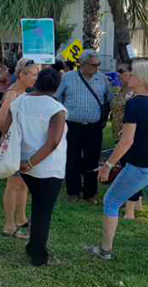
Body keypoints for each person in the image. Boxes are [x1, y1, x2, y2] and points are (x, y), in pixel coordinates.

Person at [89, 61, 148, 280]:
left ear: (142, 79)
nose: (128, 77)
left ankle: (105, 250)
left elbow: (126, 141)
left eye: (133, 75)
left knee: (111, 202)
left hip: (141, 166)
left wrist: (107, 165)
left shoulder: (136, 104)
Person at [1, 68, 67, 267]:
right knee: (42, 212)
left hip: (23, 163)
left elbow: (7, 128)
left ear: (37, 82)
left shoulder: (19, 102)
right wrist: (31, 163)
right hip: (47, 169)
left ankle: (33, 247)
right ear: (57, 86)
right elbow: (53, 142)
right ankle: (38, 255)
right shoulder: (57, 109)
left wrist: (24, 160)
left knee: (37, 208)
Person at [55, 51, 113, 204]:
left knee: (92, 159)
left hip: (93, 127)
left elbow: (109, 99)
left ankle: (90, 193)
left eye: (98, 64)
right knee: (72, 158)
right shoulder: (68, 77)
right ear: (83, 64)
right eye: (94, 65)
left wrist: (103, 118)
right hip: (72, 126)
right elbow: (57, 97)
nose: (97, 68)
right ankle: (73, 191)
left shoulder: (102, 79)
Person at [0, 58, 39, 240]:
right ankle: (9, 224)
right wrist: (11, 136)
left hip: (22, 147)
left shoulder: (24, 93)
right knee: (13, 184)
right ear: (22, 75)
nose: (36, 78)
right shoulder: (13, 94)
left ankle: (21, 219)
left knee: (22, 184)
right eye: (34, 74)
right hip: (14, 147)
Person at [109, 62, 143, 219]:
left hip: (130, 136)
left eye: (121, 71)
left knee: (130, 173)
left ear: (131, 73)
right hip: (118, 134)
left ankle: (130, 210)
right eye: (118, 71)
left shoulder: (136, 93)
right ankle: (137, 204)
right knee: (127, 170)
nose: (119, 74)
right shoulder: (120, 89)